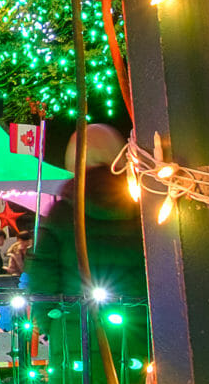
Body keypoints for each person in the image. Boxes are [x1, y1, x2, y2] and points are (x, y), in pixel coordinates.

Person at [22, 123, 147, 301]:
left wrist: (47, 319)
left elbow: (43, 274)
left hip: (77, 321)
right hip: (137, 318)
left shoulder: (62, 212)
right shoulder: (139, 207)